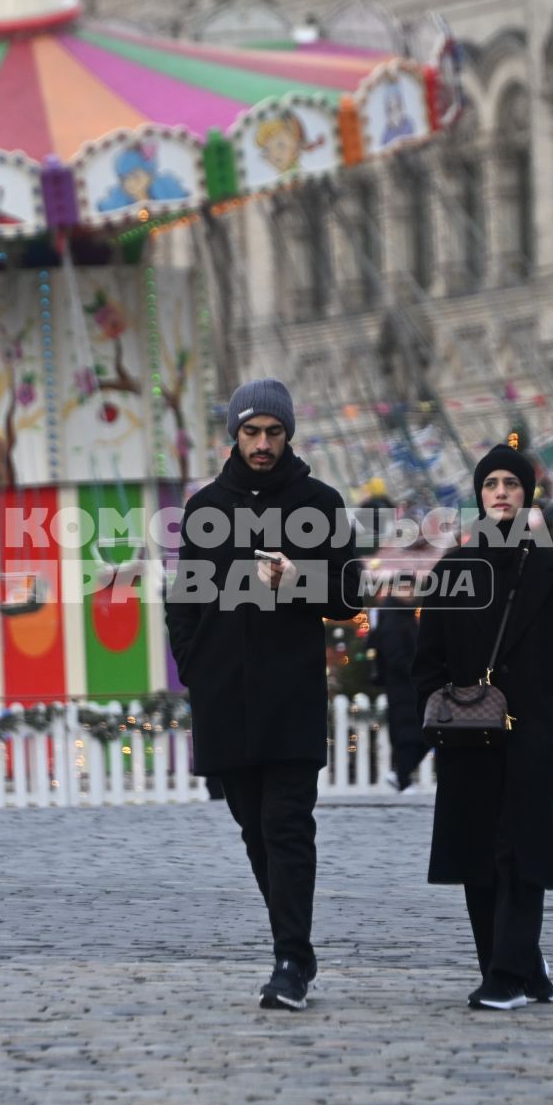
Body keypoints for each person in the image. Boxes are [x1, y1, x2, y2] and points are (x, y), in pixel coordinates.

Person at [164, 378, 358, 1011]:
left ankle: (291, 959)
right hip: (223, 697)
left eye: (274, 432)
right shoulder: (204, 508)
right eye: (252, 432)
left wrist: (300, 577)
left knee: (287, 826)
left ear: (289, 434)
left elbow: (350, 595)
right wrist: (195, 667)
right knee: (253, 828)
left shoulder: (319, 502)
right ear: (234, 435)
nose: (263, 444)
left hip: (290, 696)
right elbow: (184, 599)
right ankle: (292, 947)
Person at [414, 444, 553, 1010]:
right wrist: (441, 710)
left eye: (511, 484)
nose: (500, 492)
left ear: (527, 496)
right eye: (491, 483)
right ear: (477, 495)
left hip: (534, 738)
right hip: (469, 738)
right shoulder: (453, 571)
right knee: (478, 858)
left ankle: (509, 975)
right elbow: (428, 658)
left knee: (524, 855)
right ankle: (509, 964)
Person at [367, 594, 427, 792]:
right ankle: (402, 776)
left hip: (408, 685)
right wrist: (414, 671)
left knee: (416, 732)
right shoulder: (393, 616)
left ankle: (401, 775)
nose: (409, 593)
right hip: (402, 685)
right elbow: (394, 653)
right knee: (410, 733)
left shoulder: (406, 616)